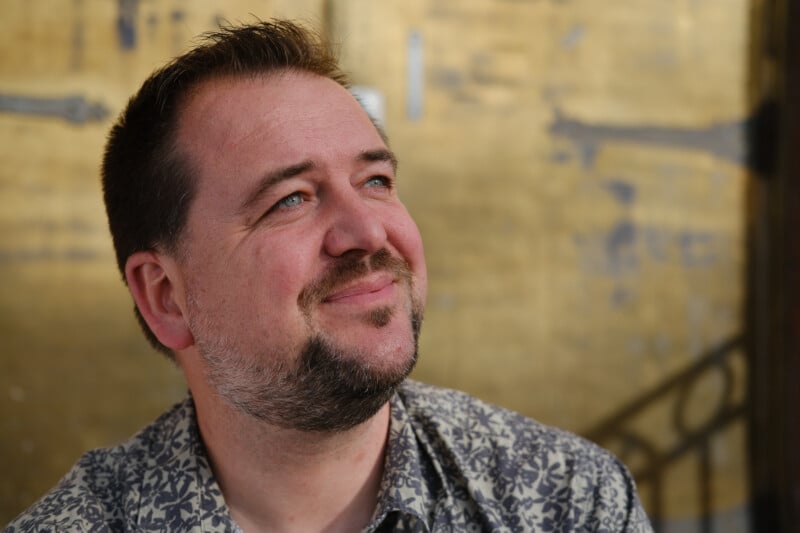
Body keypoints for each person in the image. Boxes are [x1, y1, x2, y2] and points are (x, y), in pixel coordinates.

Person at [6, 20, 652, 532]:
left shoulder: (566, 498)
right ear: (167, 296)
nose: (368, 233)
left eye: (375, 181)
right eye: (291, 198)